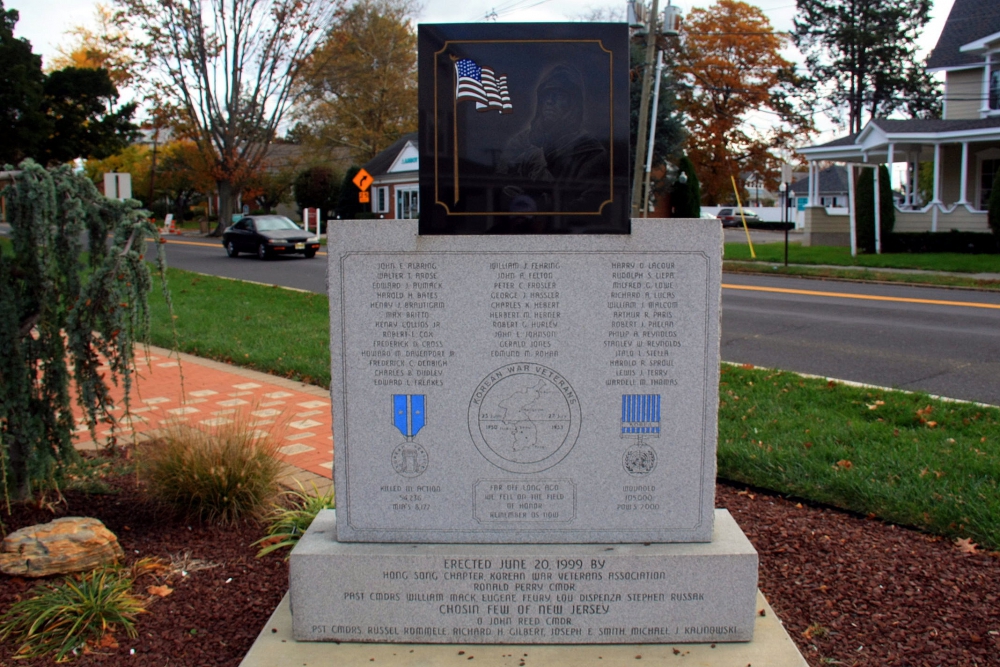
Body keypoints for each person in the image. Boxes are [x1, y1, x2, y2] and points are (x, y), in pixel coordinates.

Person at [495, 64, 609, 227]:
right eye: (546, 95)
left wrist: (544, 205)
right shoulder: (520, 142)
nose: (549, 101)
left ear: (573, 104)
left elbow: (589, 207)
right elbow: (496, 183)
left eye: (558, 95)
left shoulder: (590, 153)